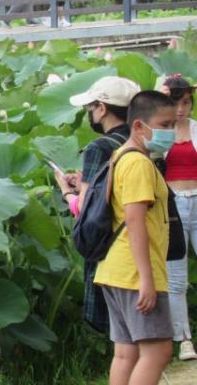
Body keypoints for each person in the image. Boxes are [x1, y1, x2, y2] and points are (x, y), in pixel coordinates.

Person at [94, 91, 176, 385]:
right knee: (158, 352)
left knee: (126, 353)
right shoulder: (140, 163)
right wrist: (147, 279)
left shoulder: (121, 157)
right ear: (139, 126)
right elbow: (134, 220)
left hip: (114, 269)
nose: (170, 132)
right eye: (164, 125)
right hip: (134, 272)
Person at [55, 76, 140, 334]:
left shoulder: (99, 148)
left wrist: (67, 193)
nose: (90, 114)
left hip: (112, 251)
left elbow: (87, 210)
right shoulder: (141, 141)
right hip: (145, 244)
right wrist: (86, 182)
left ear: (102, 108)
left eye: (91, 108)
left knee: (124, 338)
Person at [157, 74, 197, 361]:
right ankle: (183, 339)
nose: (181, 109)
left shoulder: (196, 129)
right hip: (173, 206)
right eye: (175, 102)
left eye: (186, 102)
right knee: (176, 279)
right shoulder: (160, 133)